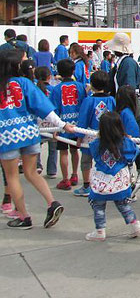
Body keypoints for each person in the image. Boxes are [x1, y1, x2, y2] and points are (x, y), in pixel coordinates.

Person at [0, 49, 70, 229]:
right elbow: (43, 108)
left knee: (12, 177)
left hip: (6, 137)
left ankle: (24, 217)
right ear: (16, 66)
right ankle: (52, 202)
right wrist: (62, 125)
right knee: (32, 172)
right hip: (30, 133)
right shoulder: (24, 83)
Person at [85, 111, 140, 241]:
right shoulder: (125, 142)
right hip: (119, 180)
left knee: (98, 206)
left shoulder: (96, 144)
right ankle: (135, 225)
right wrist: (127, 139)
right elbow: (135, 153)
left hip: (102, 179)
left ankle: (100, 230)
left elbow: (94, 155)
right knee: (123, 205)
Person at [73, 71, 116, 197]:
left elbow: (83, 119)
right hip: (107, 134)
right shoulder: (111, 99)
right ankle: (107, 183)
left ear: (91, 84)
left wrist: (79, 136)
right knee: (106, 160)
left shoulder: (88, 101)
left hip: (90, 134)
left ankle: (87, 185)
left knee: (86, 160)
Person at [52, 59, 87, 191]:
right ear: (73, 71)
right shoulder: (80, 86)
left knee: (63, 152)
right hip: (76, 125)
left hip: (62, 125)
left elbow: (54, 109)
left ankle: (65, 179)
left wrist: (54, 127)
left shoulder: (56, 89)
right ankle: (74, 175)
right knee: (74, 150)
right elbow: (84, 105)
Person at [115, 85, 140, 194]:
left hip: (127, 148)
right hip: (126, 146)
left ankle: (129, 192)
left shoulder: (125, 113)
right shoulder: (126, 111)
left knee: (126, 171)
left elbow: (133, 133)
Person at [35, 66, 58, 179]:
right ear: (49, 77)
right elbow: (56, 106)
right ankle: (52, 170)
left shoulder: (34, 90)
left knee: (37, 146)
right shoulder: (54, 89)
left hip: (38, 121)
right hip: (52, 121)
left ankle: (37, 166)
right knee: (53, 148)